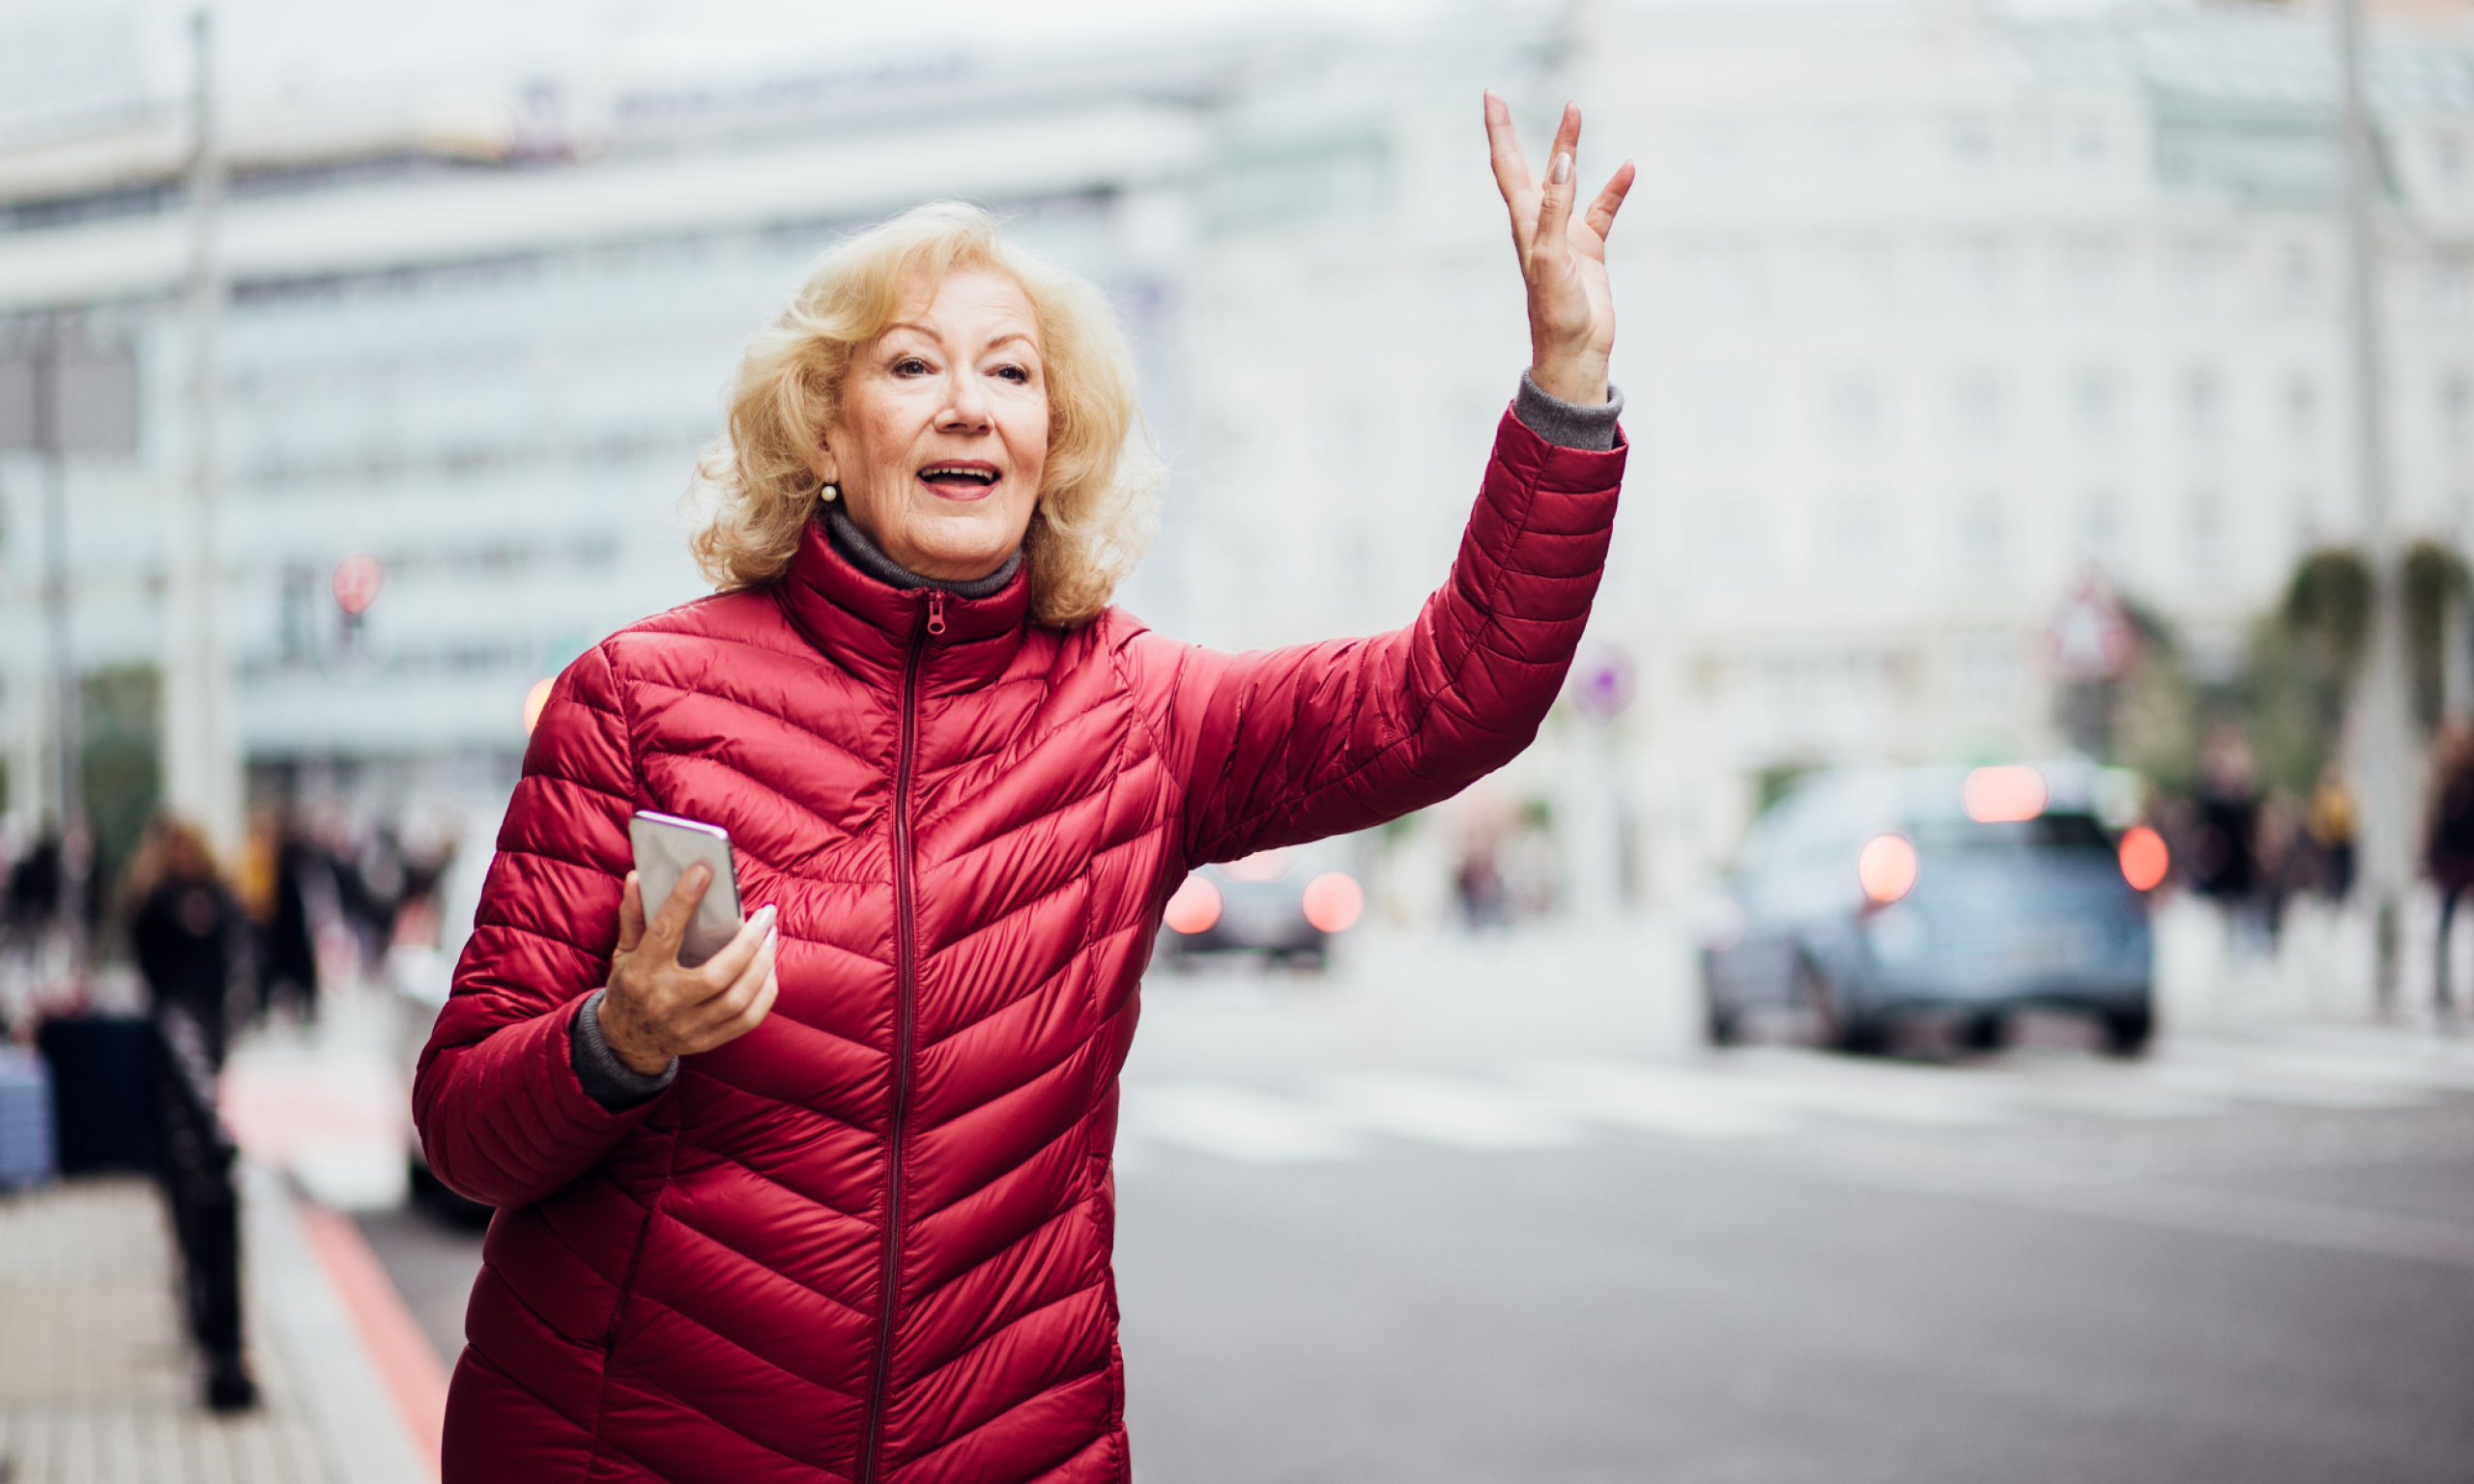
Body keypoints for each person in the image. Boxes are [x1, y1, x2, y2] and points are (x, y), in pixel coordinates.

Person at [415, 95, 1632, 1483]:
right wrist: (617, 1038)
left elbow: (1454, 693)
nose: (967, 406)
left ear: (1056, 441)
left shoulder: (1140, 717)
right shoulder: (639, 701)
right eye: (913, 366)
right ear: (823, 430)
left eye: (1010, 374)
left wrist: (1567, 382)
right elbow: (465, 1128)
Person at [2426, 722, 2474, 1016]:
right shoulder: (2442, 779)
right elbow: (2435, 826)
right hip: (2450, 863)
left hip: (2470, 858)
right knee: (2444, 925)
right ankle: (2441, 990)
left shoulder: (2469, 777)